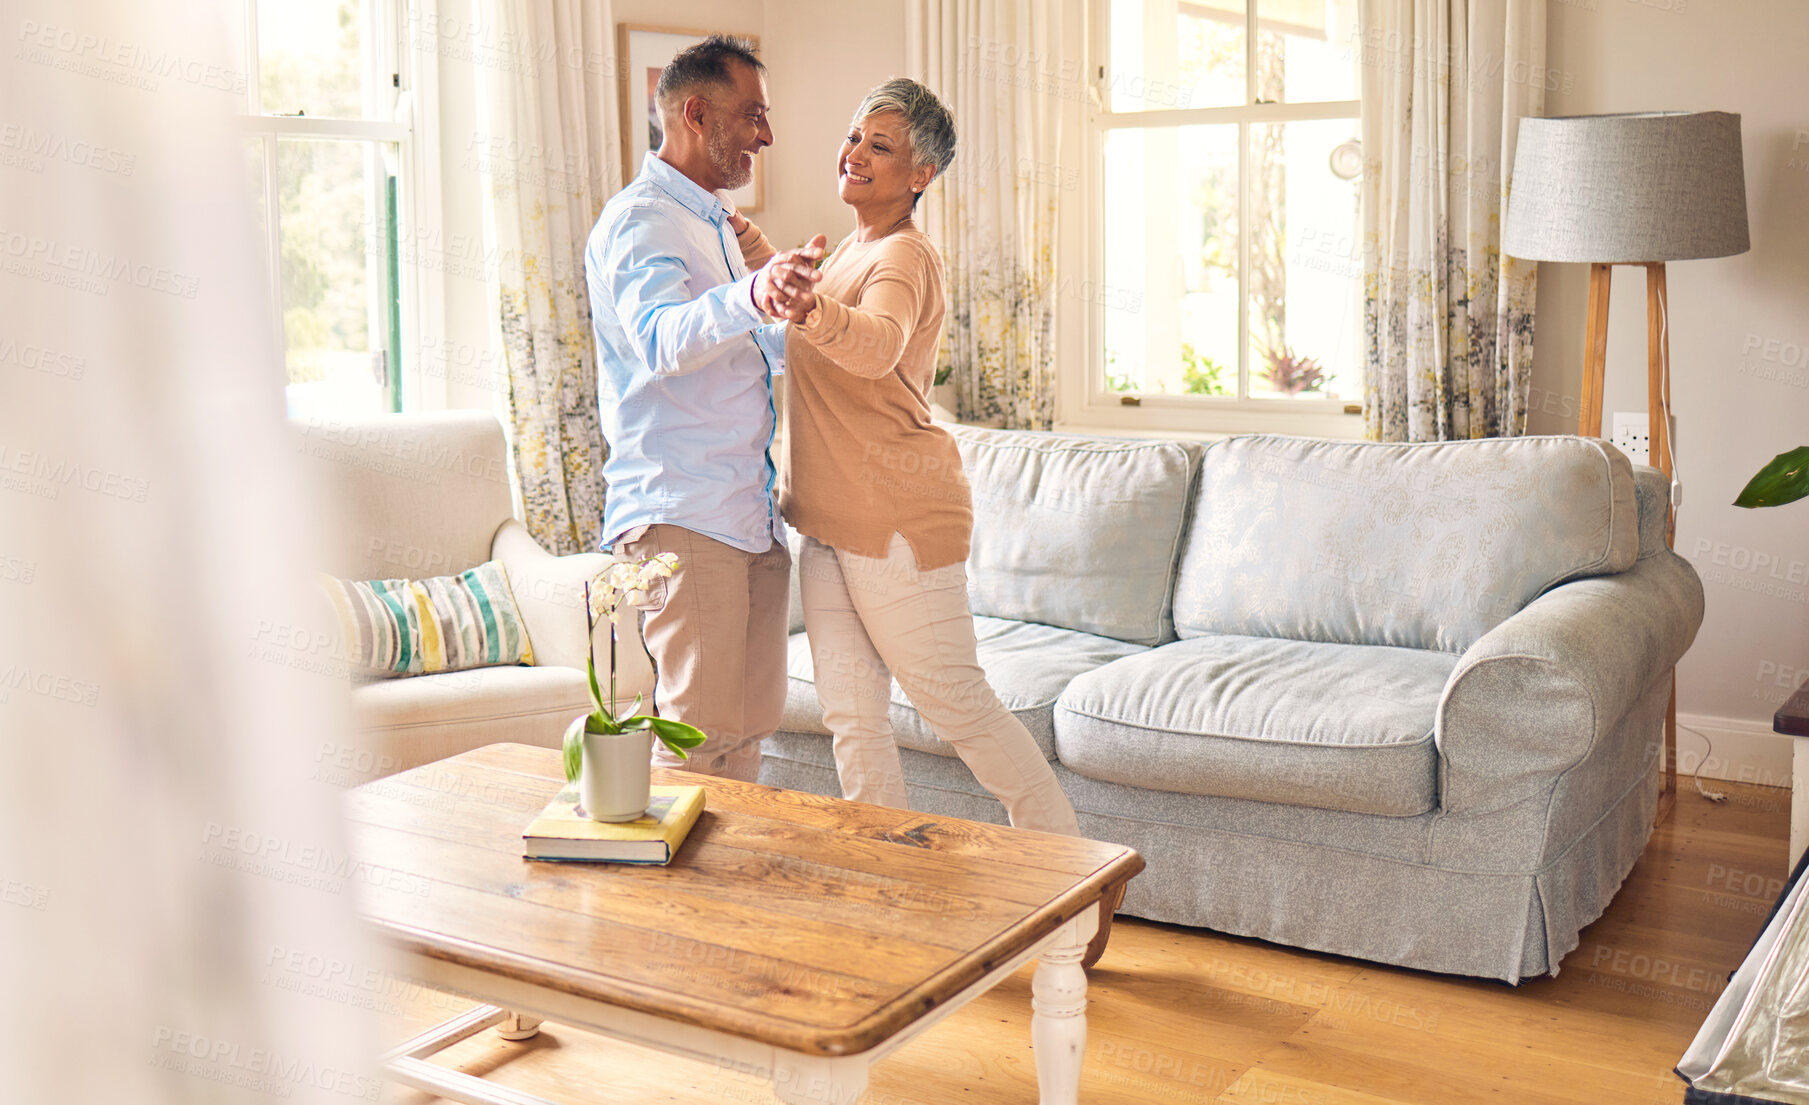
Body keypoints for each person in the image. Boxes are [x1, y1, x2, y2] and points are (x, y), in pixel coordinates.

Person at [764, 79, 1080, 836]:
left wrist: (809, 308)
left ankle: (1075, 873)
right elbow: (805, 295)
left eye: (880, 146)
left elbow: (874, 346)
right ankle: (887, 881)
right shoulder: (850, 247)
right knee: (852, 716)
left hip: (898, 519)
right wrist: (747, 243)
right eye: (852, 137)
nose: (855, 154)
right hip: (830, 522)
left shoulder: (905, 257)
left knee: (954, 704)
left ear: (919, 175)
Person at [584, 35, 823, 781]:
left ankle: (727, 898)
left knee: (747, 730)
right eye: (751, 114)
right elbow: (659, 340)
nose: (765, 134)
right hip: (681, 512)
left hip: (744, 513)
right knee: (695, 735)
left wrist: (796, 312)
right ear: (695, 113)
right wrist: (753, 292)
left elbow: (747, 349)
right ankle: (665, 902)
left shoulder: (715, 225)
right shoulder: (641, 222)